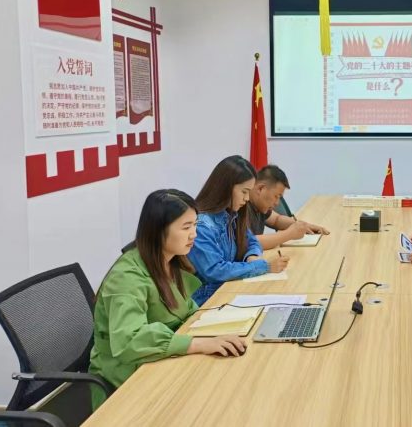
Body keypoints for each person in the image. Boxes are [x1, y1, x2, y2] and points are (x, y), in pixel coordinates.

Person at [90, 189, 247, 408]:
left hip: (162, 361)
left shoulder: (170, 261)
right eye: (186, 227)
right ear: (158, 230)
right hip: (127, 379)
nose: (194, 234)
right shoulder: (126, 277)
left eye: (195, 225)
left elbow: (185, 310)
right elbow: (130, 341)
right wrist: (198, 344)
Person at [188, 156, 289, 304]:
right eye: (244, 192)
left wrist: (252, 255)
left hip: (230, 290)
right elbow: (215, 270)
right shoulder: (202, 226)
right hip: (209, 300)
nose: (247, 198)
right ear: (226, 188)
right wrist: (264, 266)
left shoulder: (231, 214)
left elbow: (251, 240)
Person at [246, 164, 330, 250]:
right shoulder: (242, 205)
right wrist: (289, 234)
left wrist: (304, 226)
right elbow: (247, 243)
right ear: (260, 189)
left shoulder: (259, 205)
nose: (277, 203)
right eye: (276, 196)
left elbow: (276, 220)